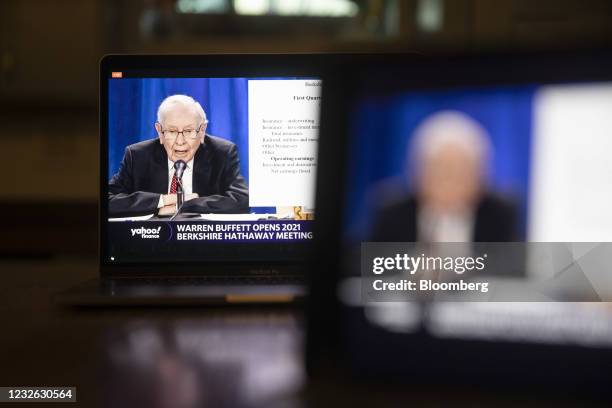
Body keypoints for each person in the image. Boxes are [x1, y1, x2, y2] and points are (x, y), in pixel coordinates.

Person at [370, 110, 518, 242]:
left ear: (481, 176)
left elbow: (513, 269)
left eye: (461, 172)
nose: (450, 183)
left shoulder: (500, 214)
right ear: (417, 173)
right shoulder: (391, 211)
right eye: (441, 171)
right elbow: (365, 266)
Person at [109, 94, 248, 217]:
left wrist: (182, 206)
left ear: (202, 131)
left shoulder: (222, 153)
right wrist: (163, 200)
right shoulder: (137, 156)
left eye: (188, 131)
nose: (180, 142)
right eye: (172, 131)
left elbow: (242, 199)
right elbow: (108, 200)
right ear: (160, 131)